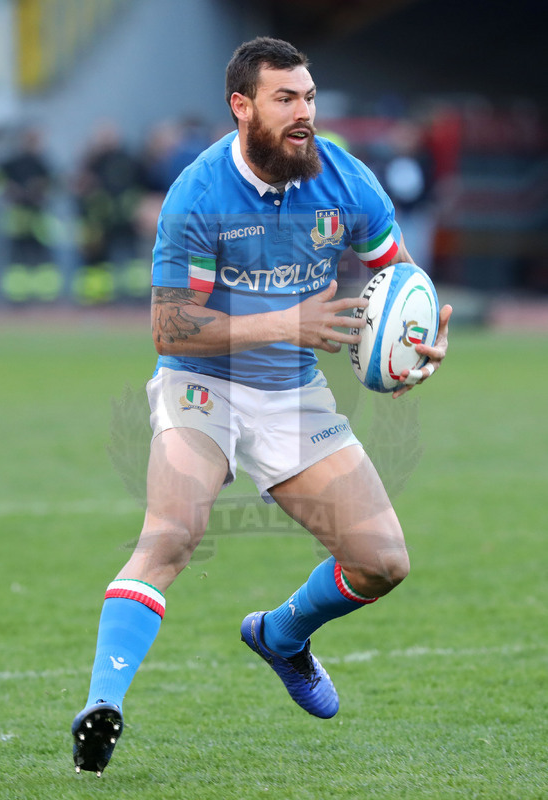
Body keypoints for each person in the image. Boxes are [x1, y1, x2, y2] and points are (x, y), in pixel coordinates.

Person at [71, 36, 452, 776]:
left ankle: (279, 635)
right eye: (285, 99)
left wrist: (415, 336)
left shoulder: (344, 180)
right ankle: (100, 705)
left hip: (291, 393)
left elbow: (396, 271)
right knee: (173, 532)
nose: (303, 113)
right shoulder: (199, 193)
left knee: (381, 563)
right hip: (201, 381)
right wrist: (288, 324)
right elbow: (170, 325)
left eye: (308, 97)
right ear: (241, 107)